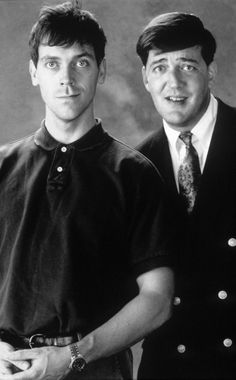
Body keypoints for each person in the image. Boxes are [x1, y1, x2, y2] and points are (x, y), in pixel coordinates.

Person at [0, 2, 175, 380]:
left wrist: (73, 356)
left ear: (102, 70)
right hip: (8, 366)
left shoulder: (135, 173)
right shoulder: (2, 167)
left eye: (81, 62)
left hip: (97, 369)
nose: (67, 78)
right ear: (34, 72)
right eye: (52, 63)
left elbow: (158, 301)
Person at [136, 12, 236, 380]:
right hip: (167, 368)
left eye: (187, 66)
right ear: (145, 78)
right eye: (159, 67)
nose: (172, 82)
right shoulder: (132, 166)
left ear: (210, 70)